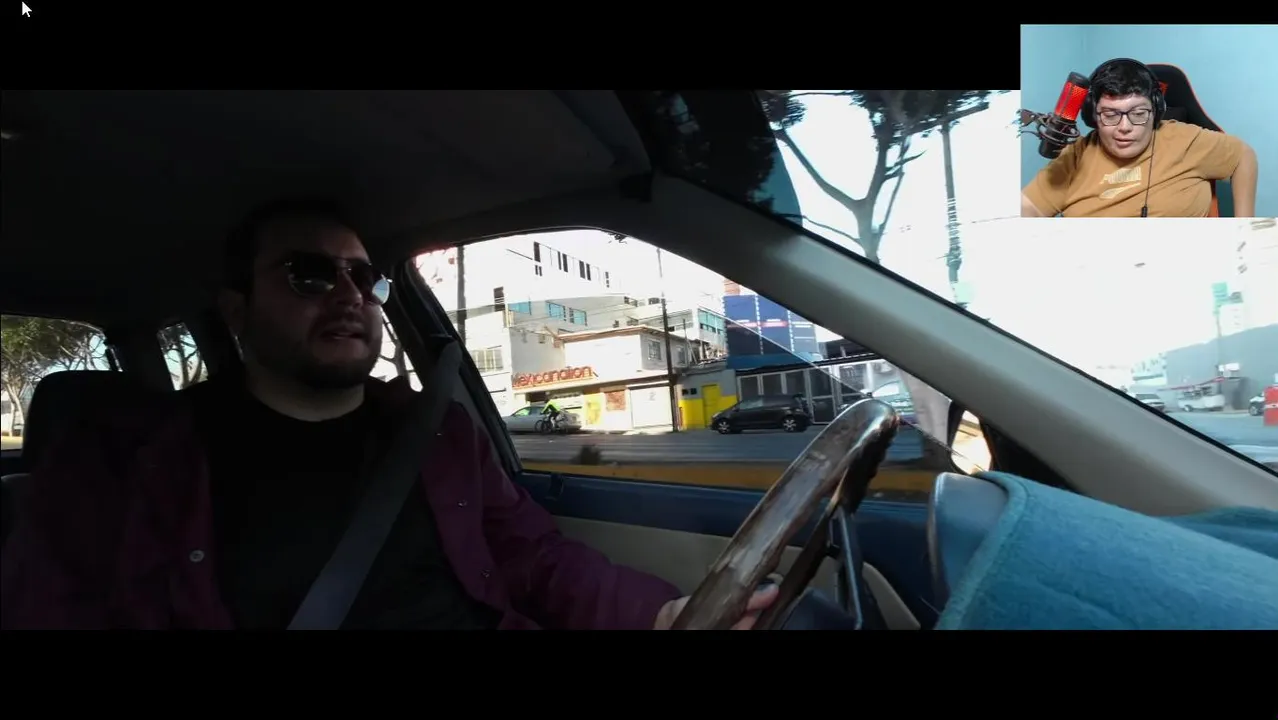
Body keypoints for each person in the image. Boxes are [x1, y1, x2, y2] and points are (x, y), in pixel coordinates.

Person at [0, 197, 779, 630]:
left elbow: (533, 558)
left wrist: (658, 617)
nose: (348, 295)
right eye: (309, 274)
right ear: (236, 310)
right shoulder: (128, 463)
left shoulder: (434, 432)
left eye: (363, 277)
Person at [1021, 58, 1258, 218]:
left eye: (1138, 114)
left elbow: (1243, 156)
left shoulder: (1186, 140)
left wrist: (1244, 229)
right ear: (1093, 116)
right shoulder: (1076, 155)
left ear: (1156, 111)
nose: (1125, 127)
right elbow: (1029, 206)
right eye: (1110, 115)